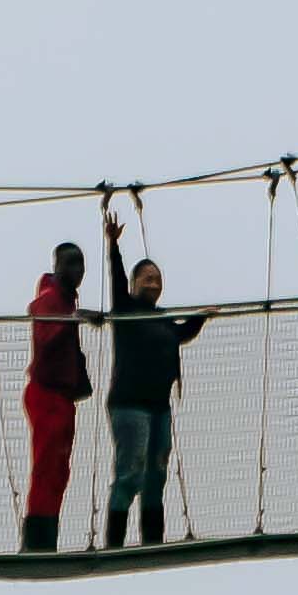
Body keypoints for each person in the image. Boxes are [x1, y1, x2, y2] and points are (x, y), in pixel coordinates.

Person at [97, 203, 205, 549]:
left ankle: (152, 540)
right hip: (130, 406)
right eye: (147, 277)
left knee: (156, 472)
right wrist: (113, 246)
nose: (153, 282)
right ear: (133, 283)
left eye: (157, 278)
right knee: (131, 471)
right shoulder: (126, 310)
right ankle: (115, 542)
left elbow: (180, 335)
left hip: (159, 408)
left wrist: (202, 317)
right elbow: (115, 279)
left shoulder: (162, 319)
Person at [17, 234, 90, 551]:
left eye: (81, 264)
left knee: (58, 468)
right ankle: (37, 541)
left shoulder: (64, 299)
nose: (77, 269)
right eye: (70, 263)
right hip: (46, 392)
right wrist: (73, 320)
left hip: (60, 397)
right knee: (48, 465)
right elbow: (45, 334)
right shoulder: (50, 297)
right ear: (56, 266)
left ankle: (46, 536)